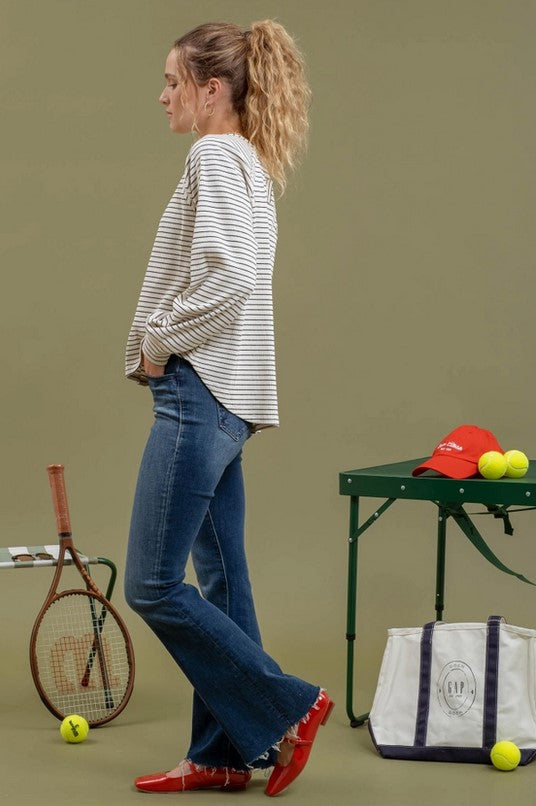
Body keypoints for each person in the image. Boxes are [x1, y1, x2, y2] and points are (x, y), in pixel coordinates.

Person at [123, 20, 333, 796]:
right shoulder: (249, 161)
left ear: (213, 89)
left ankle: (290, 704)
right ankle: (220, 753)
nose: (164, 95)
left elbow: (231, 280)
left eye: (174, 81)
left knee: (150, 583)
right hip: (229, 400)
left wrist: (158, 344)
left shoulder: (213, 154)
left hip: (196, 393)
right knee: (221, 578)